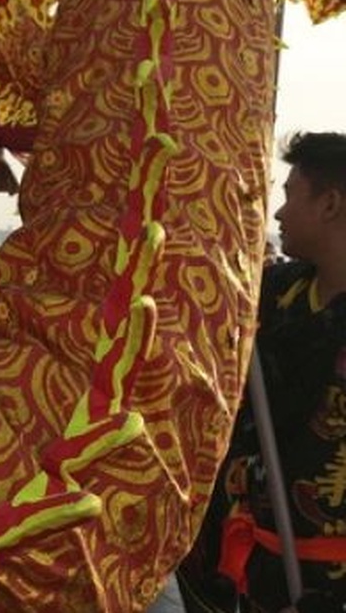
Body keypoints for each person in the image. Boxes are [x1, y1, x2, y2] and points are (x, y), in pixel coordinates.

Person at [178, 132, 346, 613]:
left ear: (330, 203)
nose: (277, 214)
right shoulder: (271, 297)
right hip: (261, 569)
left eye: (290, 194)